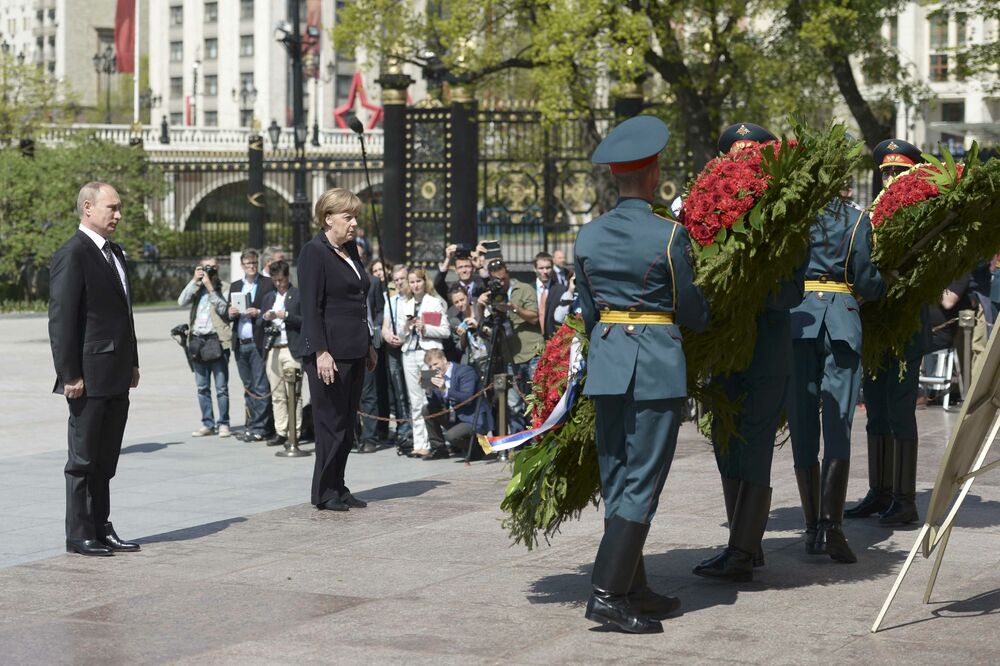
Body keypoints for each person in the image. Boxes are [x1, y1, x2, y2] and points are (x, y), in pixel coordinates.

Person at [575, 116, 709, 633]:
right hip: (654, 364)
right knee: (643, 481)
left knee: (618, 478)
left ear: (616, 178)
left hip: (609, 363)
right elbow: (692, 310)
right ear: (653, 176)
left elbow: (588, 312)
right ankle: (607, 594)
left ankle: (632, 584)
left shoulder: (588, 235)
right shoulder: (669, 235)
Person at [693, 123, 805, 583]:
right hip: (724, 351)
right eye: (733, 161)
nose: (741, 168)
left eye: (751, 160)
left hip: (765, 350)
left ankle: (741, 551)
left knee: (755, 444)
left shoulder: (789, 221)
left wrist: (751, 283)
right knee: (725, 441)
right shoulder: (708, 222)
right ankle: (747, 542)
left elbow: (792, 292)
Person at [788, 182, 887, 564]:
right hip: (841, 324)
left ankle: (812, 528)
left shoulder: (797, 221)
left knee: (801, 421)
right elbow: (866, 280)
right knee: (838, 423)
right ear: (844, 184)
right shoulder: (858, 219)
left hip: (799, 322)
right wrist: (883, 284)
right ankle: (832, 526)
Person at [49, 181, 141, 556]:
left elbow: (124, 314)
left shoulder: (114, 252)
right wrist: (69, 374)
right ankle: (79, 532)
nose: (118, 215)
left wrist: (133, 361)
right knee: (83, 459)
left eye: (119, 208)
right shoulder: (73, 253)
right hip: (87, 375)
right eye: (112, 208)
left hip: (117, 372)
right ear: (88, 208)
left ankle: (102, 525)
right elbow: (62, 319)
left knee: (106, 458)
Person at [847, 139, 927, 527]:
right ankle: (880, 492)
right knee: (875, 409)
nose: (892, 178)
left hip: (906, 325)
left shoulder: (927, 216)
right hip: (875, 322)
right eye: (886, 172)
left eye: (899, 171)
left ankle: (905, 498)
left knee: (899, 410)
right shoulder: (873, 216)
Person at [298, 188, 377, 511]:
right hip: (329, 352)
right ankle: (324, 491)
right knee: (330, 423)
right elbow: (311, 306)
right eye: (348, 217)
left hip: (355, 348)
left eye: (355, 216)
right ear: (328, 218)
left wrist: (368, 343)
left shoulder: (351, 250)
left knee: (346, 424)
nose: (354, 223)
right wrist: (321, 352)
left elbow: (359, 301)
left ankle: (339, 484)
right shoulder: (313, 252)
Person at [478, 259, 543, 433]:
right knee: (514, 406)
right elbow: (486, 329)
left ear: (507, 272)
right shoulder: (491, 295)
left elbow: (535, 317)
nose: (500, 280)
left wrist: (513, 308)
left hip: (531, 353)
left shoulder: (523, 289)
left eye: (502, 275)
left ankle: (539, 441)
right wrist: (480, 306)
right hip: (509, 356)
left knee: (536, 402)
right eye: (496, 277)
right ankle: (519, 448)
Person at [177, 256, 232, 438]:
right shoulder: (197, 287)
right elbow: (181, 301)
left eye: (212, 267)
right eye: (205, 267)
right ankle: (207, 423)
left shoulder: (224, 287)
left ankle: (223, 423)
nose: (209, 271)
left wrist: (210, 288)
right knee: (202, 387)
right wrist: (194, 280)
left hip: (217, 340)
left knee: (221, 387)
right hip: (198, 341)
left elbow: (225, 309)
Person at [399, 268, 451, 458]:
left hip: (428, 355)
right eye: (412, 282)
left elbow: (445, 331)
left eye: (418, 281)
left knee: (428, 397)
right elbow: (399, 333)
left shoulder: (433, 303)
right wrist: (406, 327)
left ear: (424, 282)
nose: (415, 285)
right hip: (410, 353)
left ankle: (431, 442)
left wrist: (425, 327)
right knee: (415, 400)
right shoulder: (405, 304)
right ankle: (418, 442)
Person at [227, 248, 274, 442]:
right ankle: (251, 424)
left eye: (254, 263)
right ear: (242, 266)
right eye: (247, 264)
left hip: (258, 341)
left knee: (260, 386)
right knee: (248, 387)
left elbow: (273, 308)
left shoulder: (267, 283)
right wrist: (230, 313)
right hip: (240, 342)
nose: (251, 267)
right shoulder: (236, 285)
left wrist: (259, 312)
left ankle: (261, 428)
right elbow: (227, 315)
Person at [259, 260, 304, 448]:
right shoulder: (269, 297)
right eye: (275, 281)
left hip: (291, 349)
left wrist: (286, 316)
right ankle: (281, 431)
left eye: (281, 280)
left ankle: (295, 432)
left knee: (293, 393)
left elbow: (306, 321)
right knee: (277, 394)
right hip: (274, 349)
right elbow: (260, 324)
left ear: (288, 277)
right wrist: (265, 317)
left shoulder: (298, 295)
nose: (279, 284)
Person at [420, 349, 494, 459]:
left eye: (436, 364)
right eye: (430, 366)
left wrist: (445, 390)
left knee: (451, 436)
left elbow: (467, 398)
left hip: (472, 417)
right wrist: (428, 390)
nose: (433, 368)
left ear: (444, 360)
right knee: (427, 409)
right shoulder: (435, 377)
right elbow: (435, 404)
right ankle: (439, 449)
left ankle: (477, 449)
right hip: (455, 416)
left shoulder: (465, 371)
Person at [357, 258, 390, 453]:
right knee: (349, 394)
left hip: (368, 340)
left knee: (369, 392)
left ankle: (370, 437)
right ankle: (353, 436)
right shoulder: (339, 280)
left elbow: (380, 310)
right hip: (346, 342)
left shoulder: (373, 282)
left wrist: (374, 329)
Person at [382, 264, 414, 449]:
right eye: (396, 280)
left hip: (411, 348)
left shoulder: (415, 300)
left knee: (415, 390)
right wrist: (387, 335)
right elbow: (386, 325)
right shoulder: (391, 300)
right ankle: (404, 426)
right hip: (394, 349)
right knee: (399, 390)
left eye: (403, 278)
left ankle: (418, 425)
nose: (400, 282)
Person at [446, 283, 489, 375]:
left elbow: (491, 332)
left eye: (462, 299)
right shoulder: (455, 321)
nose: (460, 304)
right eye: (456, 302)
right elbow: (459, 348)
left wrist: (478, 326)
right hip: (472, 360)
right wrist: (463, 336)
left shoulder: (480, 310)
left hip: (488, 354)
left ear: (467, 297)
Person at [534, 252, 575, 339]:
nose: (545, 271)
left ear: (552, 268)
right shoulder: (529, 289)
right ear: (535, 269)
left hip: (553, 340)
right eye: (541, 268)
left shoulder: (561, 290)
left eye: (548, 268)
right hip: (533, 340)